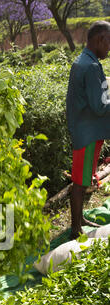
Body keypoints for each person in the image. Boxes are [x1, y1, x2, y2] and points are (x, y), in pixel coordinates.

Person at [66, 20, 110, 239]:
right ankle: (75, 229)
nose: (109, 48)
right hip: (88, 132)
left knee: (82, 179)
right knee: (80, 182)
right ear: (100, 39)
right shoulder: (91, 66)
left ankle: (79, 219)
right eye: (109, 42)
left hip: (85, 129)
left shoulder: (84, 61)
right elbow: (100, 106)